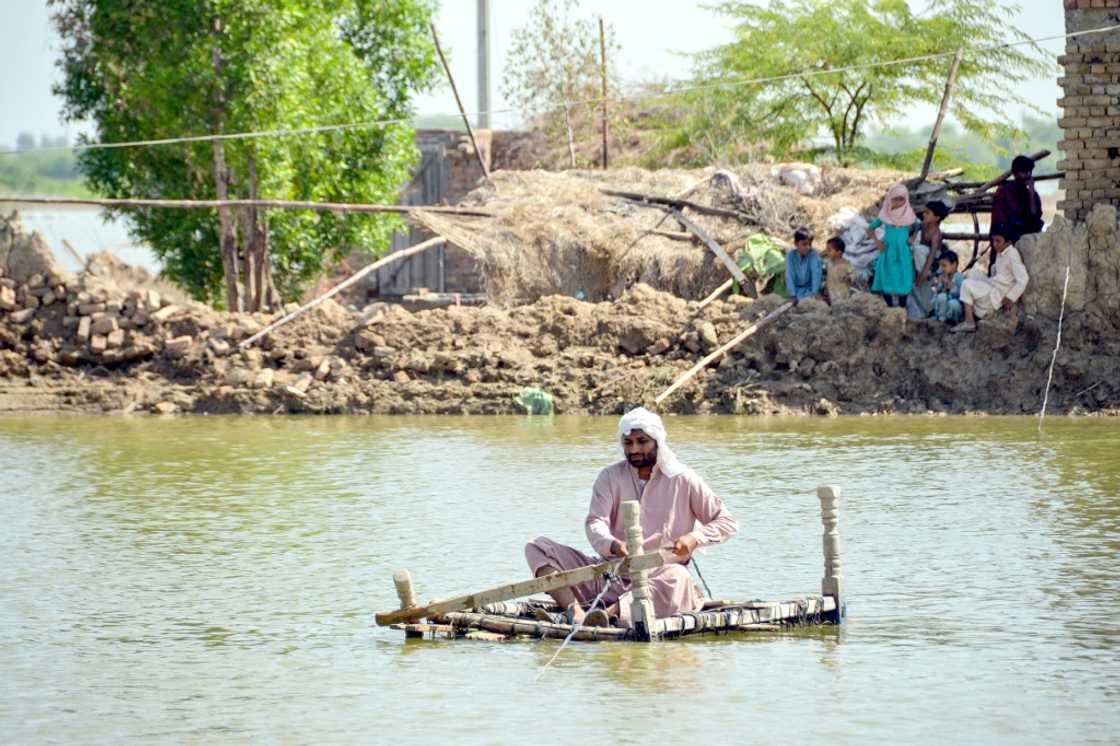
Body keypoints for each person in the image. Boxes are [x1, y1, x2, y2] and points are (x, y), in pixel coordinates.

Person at [524, 407, 737, 628]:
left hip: (661, 578)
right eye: (628, 443)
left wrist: (695, 538)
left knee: (678, 576)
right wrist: (613, 545)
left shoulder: (684, 479)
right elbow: (595, 522)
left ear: (657, 441)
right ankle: (574, 611)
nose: (634, 449)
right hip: (611, 574)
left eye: (642, 441)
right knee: (537, 547)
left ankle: (609, 615)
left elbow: (726, 521)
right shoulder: (609, 477)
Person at [951, 229, 1030, 333]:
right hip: (993, 285)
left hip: (997, 294)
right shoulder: (1002, 252)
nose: (994, 244)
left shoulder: (1012, 255)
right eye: (993, 241)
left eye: (998, 241)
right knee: (971, 273)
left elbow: (1023, 279)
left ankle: (969, 321)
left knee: (966, 284)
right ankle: (968, 309)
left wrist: (1010, 298)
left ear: (1008, 242)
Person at [867, 184, 921, 308]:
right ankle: (890, 306)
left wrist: (912, 238)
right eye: (895, 199)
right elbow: (870, 229)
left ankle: (902, 307)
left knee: (904, 277)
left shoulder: (909, 215)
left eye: (901, 199)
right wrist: (878, 243)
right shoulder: (885, 214)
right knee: (887, 276)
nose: (898, 202)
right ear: (889, 198)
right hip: (888, 251)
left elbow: (918, 226)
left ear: (906, 199)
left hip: (903, 252)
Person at [908, 200, 950, 319]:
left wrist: (923, 274)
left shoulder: (936, 233)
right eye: (925, 212)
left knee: (920, 250)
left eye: (928, 213)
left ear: (936, 218)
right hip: (920, 258)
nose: (924, 214)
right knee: (914, 249)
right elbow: (912, 238)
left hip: (932, 262)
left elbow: (931, 256)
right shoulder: (923, 225)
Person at [991, 155, 1044, 244]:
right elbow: (998, 221)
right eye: (1024, 172)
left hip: (1027, 239)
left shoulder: (1032, 194)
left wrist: (1031, 193)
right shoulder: (1004, 192)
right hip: (1007, 238)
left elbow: (1035, 216)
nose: (1028, 175)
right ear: (1015, 174)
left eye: (1029, 172)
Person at [785, 228, 823, 303]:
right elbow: (790, 275)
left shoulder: (813, 254)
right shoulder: (791, 255)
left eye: (809, 244)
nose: (807, 247)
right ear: (796, 244)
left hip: (809, 289)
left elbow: (816, 274)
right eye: (804, 244)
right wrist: (792, 295)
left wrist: (815, 292)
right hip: (796, 290)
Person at [931, 250, 964, 324]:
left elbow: (962, 295)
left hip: (955, 305)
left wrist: (953, 288)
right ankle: (941, 319)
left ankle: (954, 321)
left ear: (954, 265)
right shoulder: (942, 276)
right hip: (944, 307)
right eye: (940, 266)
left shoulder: (959, 277)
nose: (941, 268)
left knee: (953, 303)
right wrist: (939, 285)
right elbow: (938, 291)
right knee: (941, 297)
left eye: (944, 265)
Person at [824, 236, 856, 303]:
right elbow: (828, 276)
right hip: (832, 291)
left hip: (843, 293)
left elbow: (854, 274)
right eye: (827, 250)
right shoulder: (829, 263)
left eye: (829, 250)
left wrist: (848, 277)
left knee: (842, 305)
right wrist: (826, 287)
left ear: (839, 252)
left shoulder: (846, 264)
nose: (827, 252)